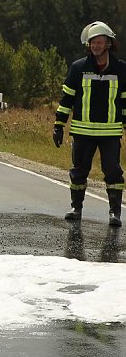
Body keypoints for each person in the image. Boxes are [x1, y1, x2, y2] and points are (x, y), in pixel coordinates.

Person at [53, 21, 126, 226]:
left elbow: (125, 101)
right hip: (82, 131)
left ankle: (115, 213)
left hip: (110, 132)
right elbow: (67, 99)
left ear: (108, 44)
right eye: (92, 42)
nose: (95, 46)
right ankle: (76, 208)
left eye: (99, 42)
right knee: (79, 171)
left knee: (113, 172)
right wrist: (59, 125)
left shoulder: (121, 69)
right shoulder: (78, 68)